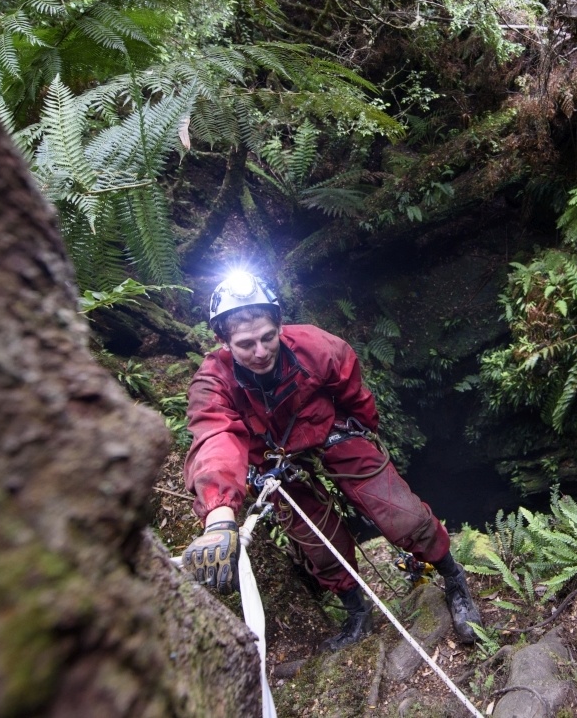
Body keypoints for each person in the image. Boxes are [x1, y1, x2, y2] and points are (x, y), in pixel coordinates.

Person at [179, 270, 482, 650]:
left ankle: (453, 579)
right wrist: (219, 518)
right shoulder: (213, 383)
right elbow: (216, 438)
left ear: (279, 325)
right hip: (274, 463)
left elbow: (353, 393)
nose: (259, 352)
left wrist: (364, 432)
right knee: (316, 541)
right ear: (222, 340)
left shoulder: (316, 348)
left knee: (398, 510)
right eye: (245, 344)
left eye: (267, 337)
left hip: (328, 430)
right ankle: (357, 612)